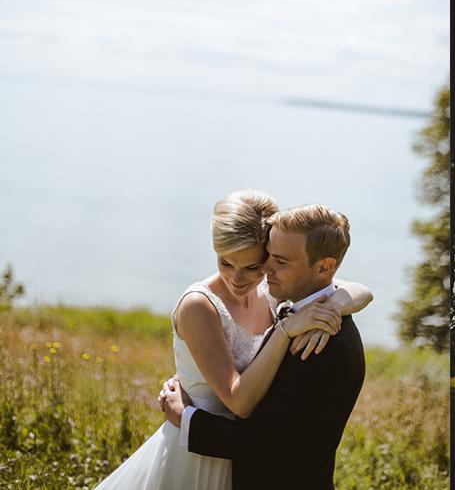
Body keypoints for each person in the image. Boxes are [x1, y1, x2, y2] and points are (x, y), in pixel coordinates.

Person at [94, 190, 373, 490]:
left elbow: (272, 441)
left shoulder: (310, 327)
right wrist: (296, 323)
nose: (244, 277)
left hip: (245, 459)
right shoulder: (218, 303)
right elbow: (241, 401)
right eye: (226, 262)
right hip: (197, 459)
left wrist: (335, 305)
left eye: (256, 265)